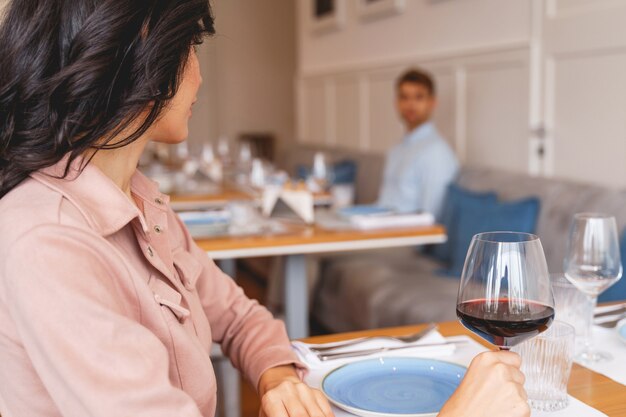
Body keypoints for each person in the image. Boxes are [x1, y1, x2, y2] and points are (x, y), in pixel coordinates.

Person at [0, 1, 529, 416]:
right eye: (192, 47)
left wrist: (276, 375)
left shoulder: (140, 199)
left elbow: (236, 314)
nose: (200, 77)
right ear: (142, 51)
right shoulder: (49, 242)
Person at [377, 68, 459, 219]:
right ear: (396, 103)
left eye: (418, 97)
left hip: (404, 237)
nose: (410, 104)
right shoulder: (396, 149)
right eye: (404, 97)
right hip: (376, 226)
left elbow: (430, 219)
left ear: (432, 102)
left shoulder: (436, 152)